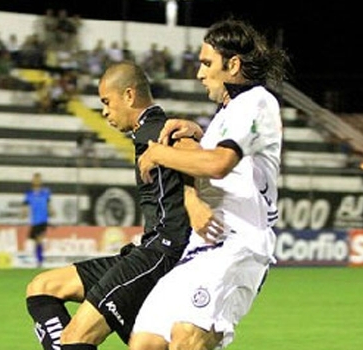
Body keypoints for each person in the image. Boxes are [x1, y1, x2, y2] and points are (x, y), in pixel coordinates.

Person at [25, 61, 212, 350]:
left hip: (161, 253)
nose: (104, 112)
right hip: (146, 249)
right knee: (42, 289)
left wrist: (193, 198)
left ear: (128, 95)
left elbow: (200, 158)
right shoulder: (148, 131)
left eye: (106, 102)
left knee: (76, 337)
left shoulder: (157, 129)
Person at [129, 17, 289, 350]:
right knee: (145, 342)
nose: (200, 73)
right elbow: (204, 166)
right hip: (199, 249)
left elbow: (217, 164)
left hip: (237, 244)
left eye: (206, 63)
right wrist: (190, 197)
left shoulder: (257, 102)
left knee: (188, 338)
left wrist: (159, 152)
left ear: (233, 65)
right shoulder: (224, 115)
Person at [22, 172, 54, 268]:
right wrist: (24, 213)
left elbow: (48, 204)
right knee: (36, 241)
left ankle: (40, 260)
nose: (37, 180)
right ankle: (38, 259)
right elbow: (25, 206)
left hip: (43, 220)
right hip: (34, 221)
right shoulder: (29, 194)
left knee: (39, 239)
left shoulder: (45, 192)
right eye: (35, 179)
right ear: (33, 180)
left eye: (39, 179)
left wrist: (51, 211)